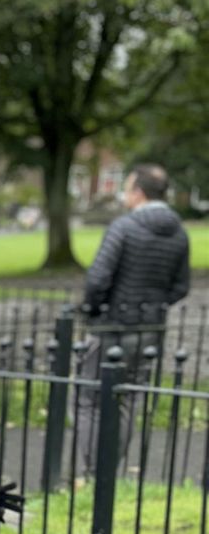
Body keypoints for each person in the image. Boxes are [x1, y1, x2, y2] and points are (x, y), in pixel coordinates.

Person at [78, 163, 192, 474]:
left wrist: (92, 309)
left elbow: (98, 280)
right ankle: (109, 471)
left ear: (138, 192)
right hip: (150, 330)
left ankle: (93, 474)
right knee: (127, 399)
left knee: (89, 398)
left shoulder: (124, 227)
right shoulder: (179, 233)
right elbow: (181, 287)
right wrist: (153, 305)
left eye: (127, 188)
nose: (124, 195)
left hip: (112, 326)